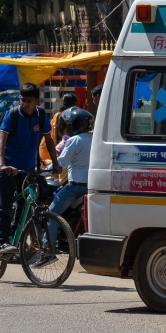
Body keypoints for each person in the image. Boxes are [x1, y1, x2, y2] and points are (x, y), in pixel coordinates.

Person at [0, 83, 58, 255]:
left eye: (29, 101)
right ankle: (3, 241)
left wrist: (56, 163)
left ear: (37, 101)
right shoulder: (12, 115)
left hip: (28, 169)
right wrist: (2, 165)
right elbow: (1, 142)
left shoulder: (40, 115)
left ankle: (14, 240)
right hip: (9, 167)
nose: (25, 104)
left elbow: (49, 140)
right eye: (22, 100)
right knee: (5, 205)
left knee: (25, 206)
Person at [41, 107, 94, 265]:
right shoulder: (94, 138)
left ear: (71, 126)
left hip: (76, 187)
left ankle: (48, 251)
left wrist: (40, 172)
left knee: (51, 214)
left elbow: (60, 164)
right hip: (91, 185)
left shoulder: (74, 141)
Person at [40, 92, 78, 167]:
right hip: (65, 146)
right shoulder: (72, 116)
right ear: (74, 104)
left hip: (58, 146)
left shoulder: (57, 115)